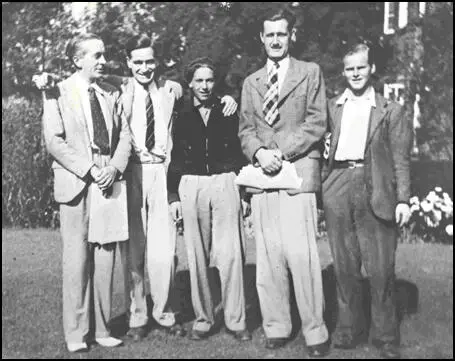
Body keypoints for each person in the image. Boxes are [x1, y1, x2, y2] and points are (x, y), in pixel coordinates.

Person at [34, 33, 239, 342]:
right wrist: (47, 82)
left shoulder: (171, 90)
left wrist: (227, 95)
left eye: (150, 61)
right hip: (130, 173)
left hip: (162, 172)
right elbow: (80, 78)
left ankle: (164, 312)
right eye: (138, 62)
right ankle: (138, 314)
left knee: (164, 249)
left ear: (157, 62)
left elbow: (204, 88)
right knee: (133, 249)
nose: (145, 68)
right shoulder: (118, 86)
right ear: (128, 63)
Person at [238, 8, 330, 357]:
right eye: (269, 35)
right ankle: (276, 326)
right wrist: (260, 153)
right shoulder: (251, 82)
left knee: (302, 256)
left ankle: (315, 331)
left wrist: (279, 151)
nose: (275, 40)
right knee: (269, 257)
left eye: (282, 33)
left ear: (292, 36)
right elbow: (245, 129)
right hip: (263, 177)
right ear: (261, 39)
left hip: (297, 174)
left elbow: (317, 121)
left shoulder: (310, 73)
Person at [322, 43, 412, 359]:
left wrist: (403, 199)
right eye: (350, 68)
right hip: (339, 185)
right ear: (344, 71)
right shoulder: (333, 106)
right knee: (345, 266)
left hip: (375, 187)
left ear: (371, 68)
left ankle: (385, 337)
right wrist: (325, 185)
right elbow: (324, 150)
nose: (356, 73)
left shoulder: (391, 109)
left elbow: (401, 159)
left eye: (361, 67)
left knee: (380, 269)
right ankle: (347, 331)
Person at [42, 33, 131, 352]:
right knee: (77, 262)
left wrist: (114, 168)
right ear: (77, 60)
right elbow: (54, 141)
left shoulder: (111, 92)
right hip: (77, 184)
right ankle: (77, 334)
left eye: (104, 54)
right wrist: (90, 169)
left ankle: (104, 329)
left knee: (105, 259)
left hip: (107, 181)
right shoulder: (57, 91)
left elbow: (125, 136)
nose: (103, 61)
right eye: (96, 55)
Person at [167, 57, 251, 342]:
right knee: (197, 255)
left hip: (225, 181)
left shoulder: (228, 108)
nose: (204, 86)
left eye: (209, 80)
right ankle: (203, 318)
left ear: (216, 82)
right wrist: (173, 194)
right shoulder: (180, 111)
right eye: (199, 80)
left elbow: (240, 150)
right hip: (190, 184)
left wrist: (243, 189)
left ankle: (236, 319)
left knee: (231, 253)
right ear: (190, 83)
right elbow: (175, 155)